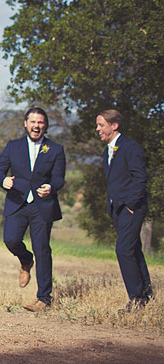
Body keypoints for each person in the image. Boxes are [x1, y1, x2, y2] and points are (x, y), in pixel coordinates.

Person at [0, 107, 66, 312]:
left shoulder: (56, 149)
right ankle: (26, 260)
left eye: (41, 122)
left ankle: (44, 299)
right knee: (11, 240)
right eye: (33, 122)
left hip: (42, 206)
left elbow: (59, 178)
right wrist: (3, 180)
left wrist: (51, 187)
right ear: (25, 123)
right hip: (18, 201)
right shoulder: (13, 146)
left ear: (45, 126)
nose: (36, 126)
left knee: (42, 249)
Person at [96, 109, 152, 312]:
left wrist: (130, 205)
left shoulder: (130, 147)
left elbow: (140, 178)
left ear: (114, 125)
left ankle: (136, 300)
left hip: (131, 209)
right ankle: (147, 297)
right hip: (117, 210)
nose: (98, 129)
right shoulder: (107, 151)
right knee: (134, 250)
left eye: (101, 125)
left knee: (123, 250)